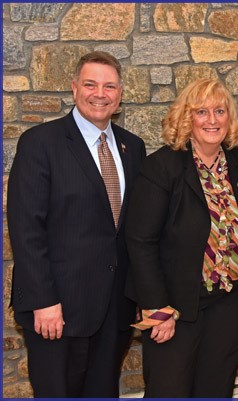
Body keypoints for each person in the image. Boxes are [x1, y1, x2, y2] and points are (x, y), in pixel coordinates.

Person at [7, 51, 146, 397]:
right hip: (57, 310)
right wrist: (44, 301)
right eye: (91, 84)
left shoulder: (134, 147)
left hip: (114, 310)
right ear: (74, 88)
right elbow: (26, 230)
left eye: (109, 86)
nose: (100, 93)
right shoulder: (41, 143)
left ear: (120, 94)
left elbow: (132, 229)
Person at [124, 78, 238, 398]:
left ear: (230, 117)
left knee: (217, 389)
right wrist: (157, 310)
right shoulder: (161, 166)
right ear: (187, 117)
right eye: (202, 111)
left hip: (229, 303)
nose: (212, 120)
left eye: (220, 111)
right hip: (176, 308)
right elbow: (141, 241)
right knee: (169, 390)